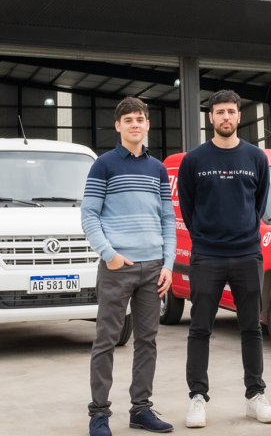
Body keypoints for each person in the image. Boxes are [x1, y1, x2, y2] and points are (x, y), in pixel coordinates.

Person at [176, 89, 271, 428]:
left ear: (239, 116)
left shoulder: (255, 158)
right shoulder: (194, 160)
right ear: (211, 118)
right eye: (220, 112)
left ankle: (255, 396)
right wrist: (206, 235)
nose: (226, 117)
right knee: (200, 328)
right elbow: (189, 208)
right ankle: (197, 398)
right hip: (207, 256)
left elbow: (259, 202)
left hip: (248, 254)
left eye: (231, 111)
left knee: (251, 328)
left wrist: (244, 230)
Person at [81, 97, 176, 436]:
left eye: (140, 119)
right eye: (128, 120)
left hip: (153, 269)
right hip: (117, 267)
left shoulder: (158, 168)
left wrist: (168, 263)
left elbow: (168, 218)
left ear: (147, 125)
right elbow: (89, 215)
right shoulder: (103, 165)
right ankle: (99, 414)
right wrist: (110, 255)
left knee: (147, 341)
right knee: (106, 339)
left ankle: (141, 410)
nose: (135, 124)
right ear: (118, 126)